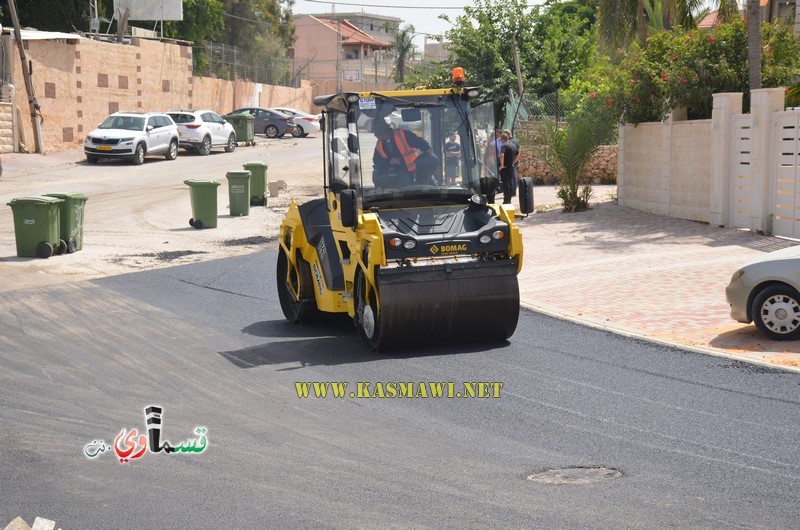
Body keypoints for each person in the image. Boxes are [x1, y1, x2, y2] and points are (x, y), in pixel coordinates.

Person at [372, 119, 439, 187]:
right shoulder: (379, 144)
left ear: (385, 130)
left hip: (413, 171)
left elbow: (420, 143)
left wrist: (429, 153)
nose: (375, 135)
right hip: (394, 174)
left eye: (377, 133)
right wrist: (389, 161)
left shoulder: (403, 135)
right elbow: (376, 160)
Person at [498, 132, 517, 204]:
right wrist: (513, 161)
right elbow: (518, 153)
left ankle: (506, 200)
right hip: (510, 167)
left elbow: (502, 155)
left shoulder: (504, 146)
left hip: (505, 167)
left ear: (502, 139)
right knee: (510, 183)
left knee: (505, 184)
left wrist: (502, 165)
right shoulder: (513, 145)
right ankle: (509, 199)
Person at [503, 128, 521, 197]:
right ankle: (512, 191)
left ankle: (512, 191)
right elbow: (519, 151)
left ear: (508, 134)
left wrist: (513, 162)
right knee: (512, 176)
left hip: (511, 162)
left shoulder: (510, 142)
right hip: (514, 161)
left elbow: (517, 152)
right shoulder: (515, 140)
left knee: (511, 177)